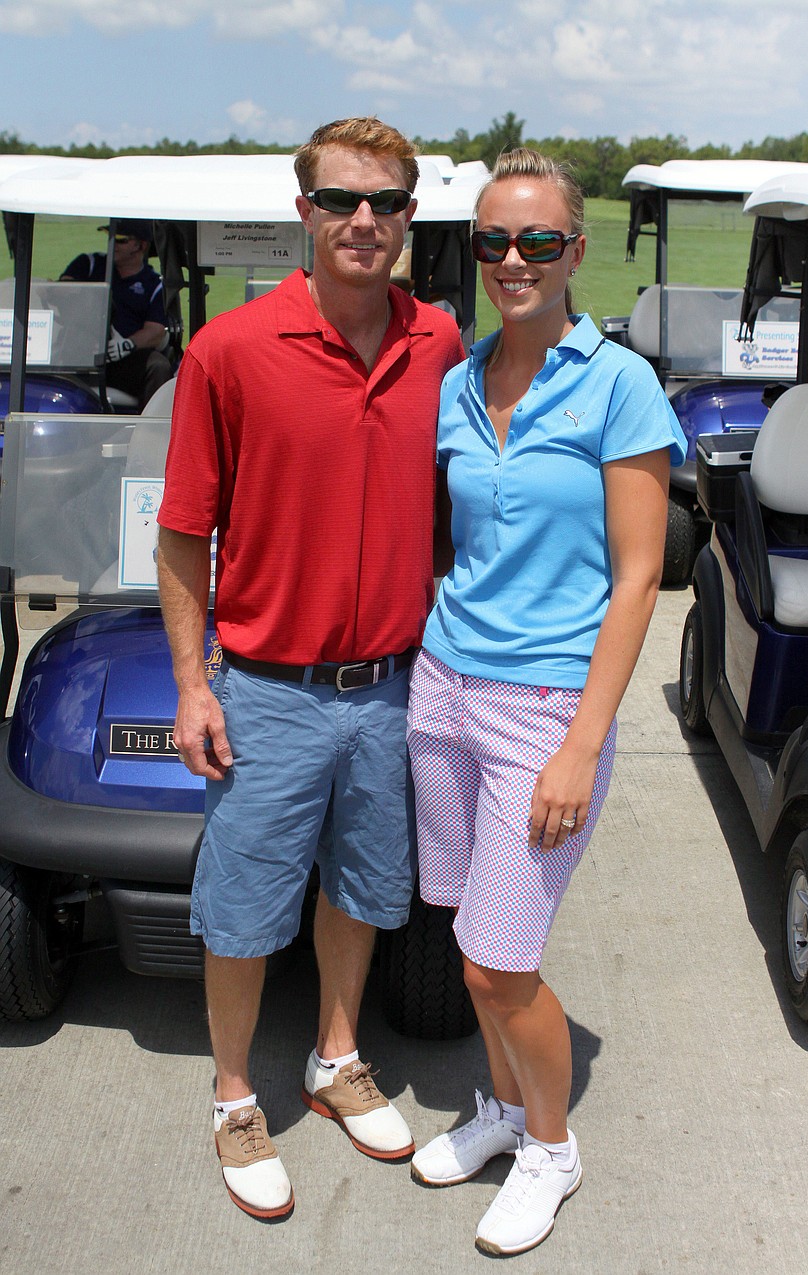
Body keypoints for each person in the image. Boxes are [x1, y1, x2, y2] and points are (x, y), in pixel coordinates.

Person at [156, 118, 465, 1220]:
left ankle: (334, 1060)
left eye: (383, 202)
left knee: (366, 890)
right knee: (242, 908)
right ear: (305, 214)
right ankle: (234, 1094)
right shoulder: (230, 349)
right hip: (269, 691)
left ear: (409, 217)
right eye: (340, 201)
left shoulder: (439, 344)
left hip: (392, 685)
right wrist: (194, 684)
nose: (363, 221)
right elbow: (185, 533)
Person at [406, 149, 687, 1257]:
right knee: (467, 935)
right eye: (491, 242)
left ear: (574, 250)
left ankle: (551, 1150)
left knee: (497, 961)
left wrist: (582, 742)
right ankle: (504, 1109)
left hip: (545, 710)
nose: (512, 260)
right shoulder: (457, 385)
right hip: (444, 691)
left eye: (537, 241)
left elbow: (636, 578)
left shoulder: (618, 384)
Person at [60, 218, 172, 409]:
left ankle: (151, 432)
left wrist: (127, 344)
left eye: (120, 240)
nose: (113, 245)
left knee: (158, 366)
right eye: (110, 237)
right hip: (81, 352)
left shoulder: (153, 284)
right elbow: (63, 290)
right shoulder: (89, 264)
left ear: (141, 246)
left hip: (123, 359)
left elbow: (155, 330)